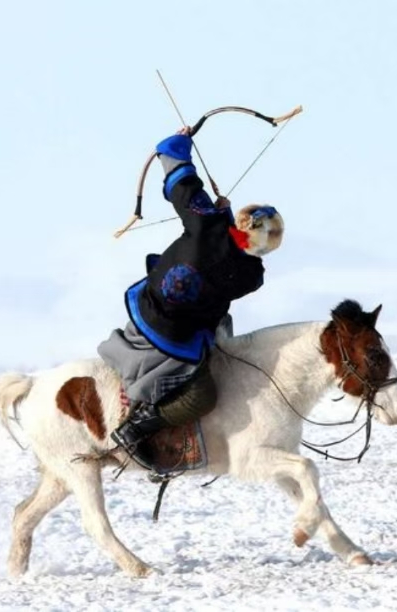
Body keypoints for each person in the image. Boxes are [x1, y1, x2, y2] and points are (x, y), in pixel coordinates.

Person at [98, 126, 284, 468]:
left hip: (147, 305)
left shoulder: (207, 224)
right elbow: (235, 256)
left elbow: (182, 183)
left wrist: (181, 143)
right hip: (173, 333)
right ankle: (137, 428)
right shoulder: (251, 277)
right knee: (202, 397)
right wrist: (225, 220)